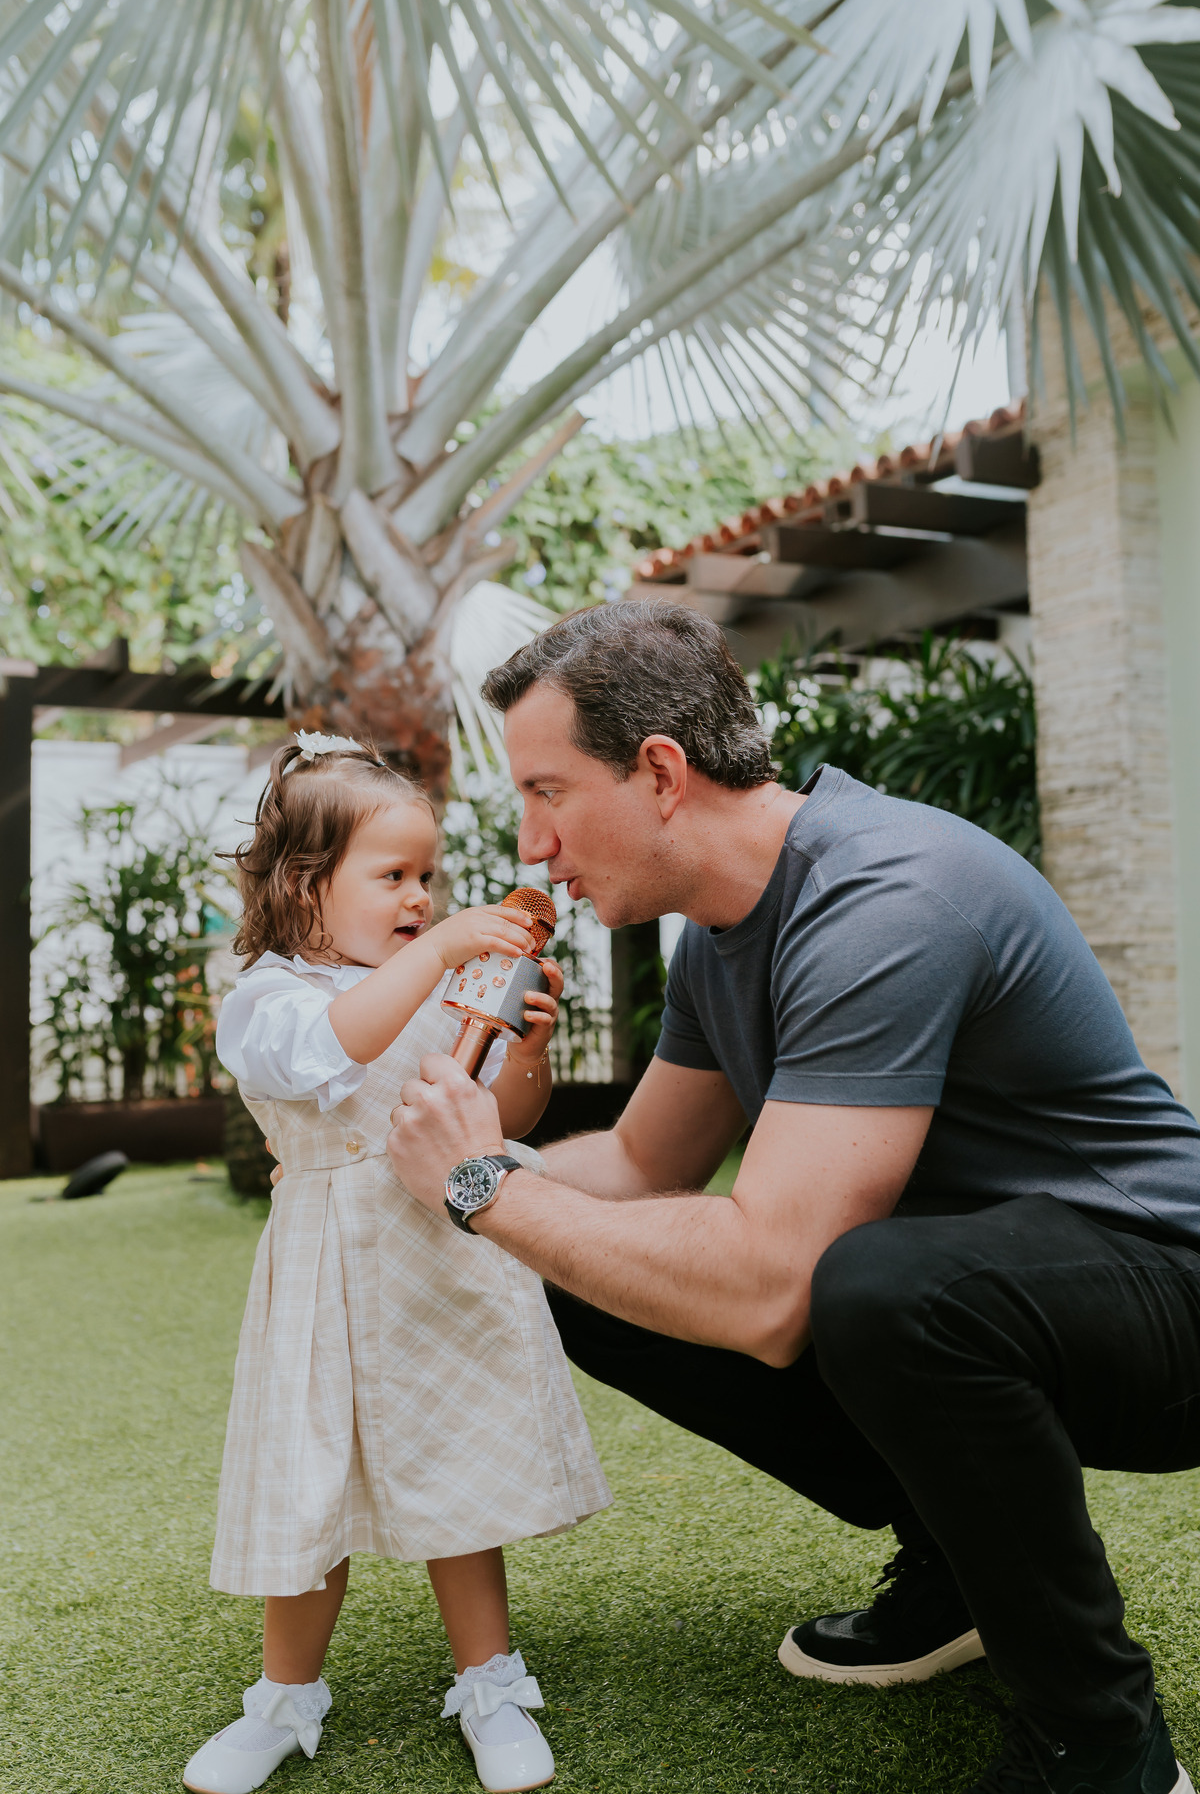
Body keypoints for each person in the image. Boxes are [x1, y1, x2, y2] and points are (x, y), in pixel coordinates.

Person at [387, 601, 1200, 1794]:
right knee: (568, 1258)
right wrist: (436, 1195)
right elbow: (639, 1166)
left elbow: (774, 1288)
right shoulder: (718, 933)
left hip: (1163, 1297)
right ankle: (963, 1569)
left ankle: (1104, 1747)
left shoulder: (887, 894)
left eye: (548, 792)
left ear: (661, 773)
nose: (533, 849)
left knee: (876, 1288)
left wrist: (483, 1187)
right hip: (1002, 1297)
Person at [182, 733, 610, 1794]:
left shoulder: (432, 982)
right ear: (303, 889)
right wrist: (441, 954)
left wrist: (525, 1049)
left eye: (428, 877)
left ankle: (491, 1681)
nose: (421, 898)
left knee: (454, 1463)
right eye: (393, 877)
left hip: (437, 1259)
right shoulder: (268, 999)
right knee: (305, 1479)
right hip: (323, 1272)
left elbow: (499, 1116)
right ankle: (285, 1697)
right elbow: (327, 1054)